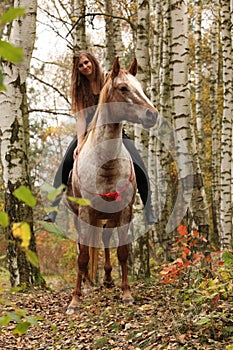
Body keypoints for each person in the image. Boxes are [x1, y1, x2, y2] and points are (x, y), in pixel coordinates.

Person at [44, 51, 156, 225]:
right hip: (89, 132)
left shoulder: (107, 79)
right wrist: (80, 143)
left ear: (93, 62)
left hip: (113, 130)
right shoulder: (80, 89)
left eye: (87, 62)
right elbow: (81, 118)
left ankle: (149, 209)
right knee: (66, 163)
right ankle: (53, 208)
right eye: (81, 65)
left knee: (138, 163)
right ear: (77, 69)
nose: (85, 67)